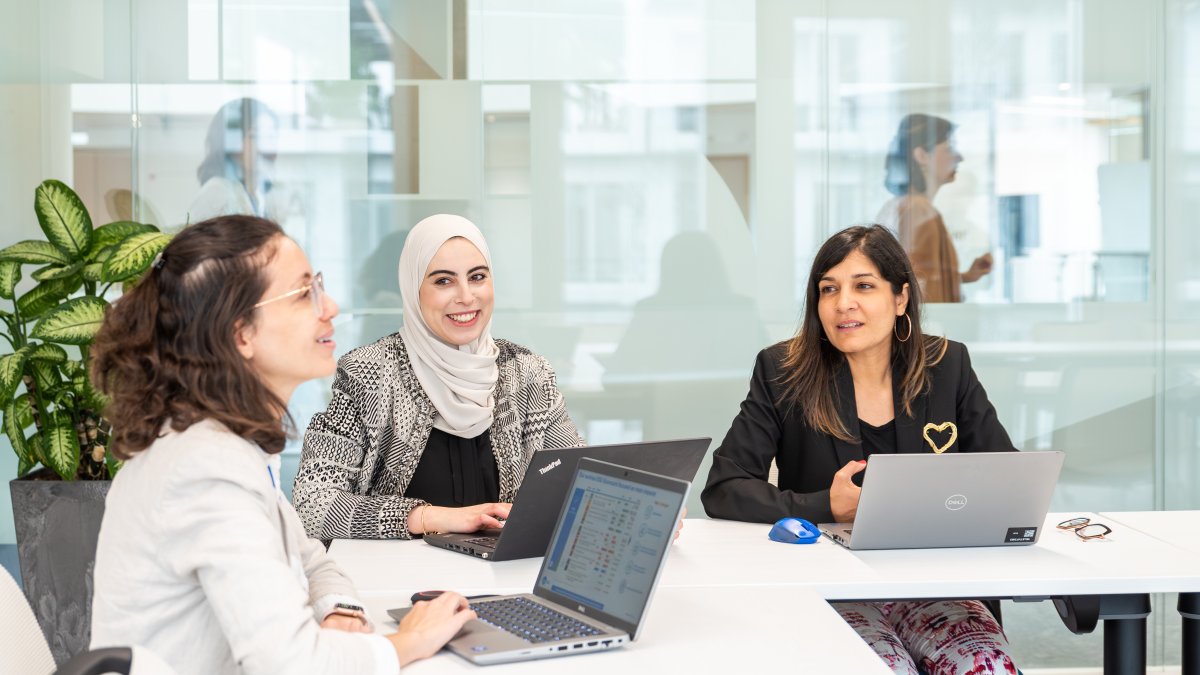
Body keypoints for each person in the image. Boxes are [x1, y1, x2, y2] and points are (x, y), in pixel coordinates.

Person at [88, 215, 475, 674]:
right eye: (302, 294)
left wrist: (340, 610)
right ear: (241, 334)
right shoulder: (203, 470)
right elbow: (289, 664)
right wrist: (408, 642)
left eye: (320, 286)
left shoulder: (226, 446)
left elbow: (312, 562)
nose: (329, 305)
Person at [701, 225, 1017, 674]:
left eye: (863, 286)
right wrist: (822, 505)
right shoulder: (782, 371)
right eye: (828, 289)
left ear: (900, 298)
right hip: (833, 585)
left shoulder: (947, 365)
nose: (843, 302)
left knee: (986, 666)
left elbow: (1007, 480)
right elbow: (723, 488)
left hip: (935, 583)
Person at [293, 214, 584, 541]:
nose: (466, 296)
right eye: (443, 281)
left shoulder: (527, 373)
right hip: (398, 581)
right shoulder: (368, 374)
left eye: (477, 277)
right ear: (413, 289)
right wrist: (429, 517)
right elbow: (311, 504)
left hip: (501, 577)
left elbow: (579, 486)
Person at [877, 113, 992, 303]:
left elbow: (911, 279)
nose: (959, 157)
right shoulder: (919, 210)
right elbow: (920, 289)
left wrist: (963, 277)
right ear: (921, 155)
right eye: (949, 148)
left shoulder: (899, 205)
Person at [188, 98, 284, 223]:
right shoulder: (217, 193)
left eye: (271, 137)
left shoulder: (258, 196)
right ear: (232, 141)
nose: (267, 149)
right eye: (255, 136)